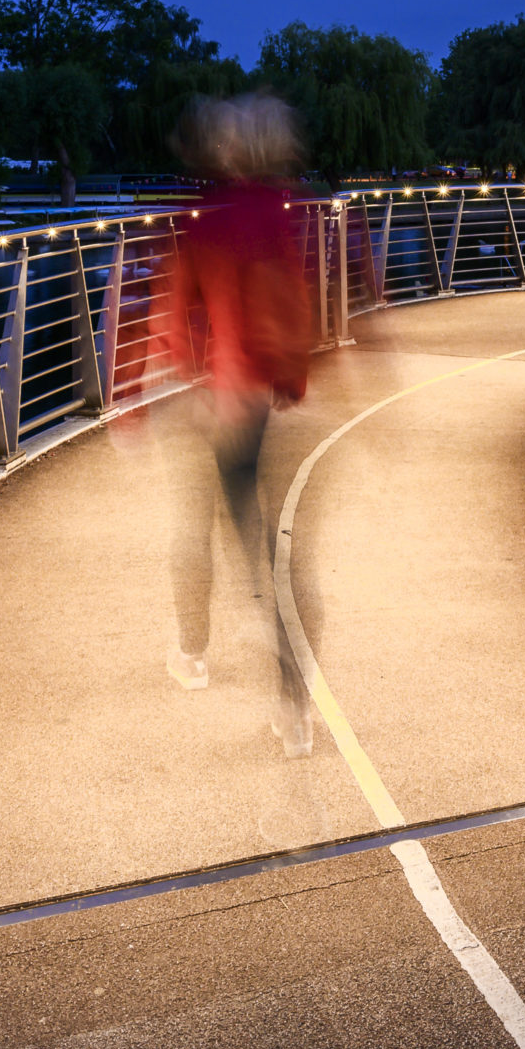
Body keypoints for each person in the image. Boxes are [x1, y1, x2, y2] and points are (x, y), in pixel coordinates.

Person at [145, 93, 317, 756]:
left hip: (212, 401)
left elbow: (173, 311)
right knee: (270, 552)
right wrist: (290, 378)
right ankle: (293, 707)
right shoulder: (275, 212)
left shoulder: (205, 218)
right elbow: (292, 296)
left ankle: (193, 653)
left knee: (196, 528)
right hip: (262, 401)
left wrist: (171, 384)